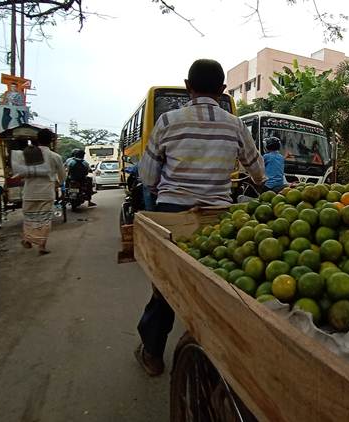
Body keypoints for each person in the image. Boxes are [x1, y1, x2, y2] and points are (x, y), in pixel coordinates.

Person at [135, 58, 266, 376]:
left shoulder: (168, 121)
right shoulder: (234, 125)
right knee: (218, 287)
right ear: (222, 90)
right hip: (218, 219)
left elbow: (148, 176)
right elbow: (259, 172)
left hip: (171, 216)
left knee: (167, 286)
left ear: (187, 87)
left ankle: (152, 354)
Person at [20, 130, 66, 255]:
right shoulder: (55, 157)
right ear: (51, 141)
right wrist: (59, 183)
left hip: (29, 192)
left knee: (29, 217)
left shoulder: (27, 155)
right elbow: (62, 176)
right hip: (46, 192)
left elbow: (21, 173)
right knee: (44, 219)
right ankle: (41, 246)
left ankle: (28, 239)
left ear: (37, 139)